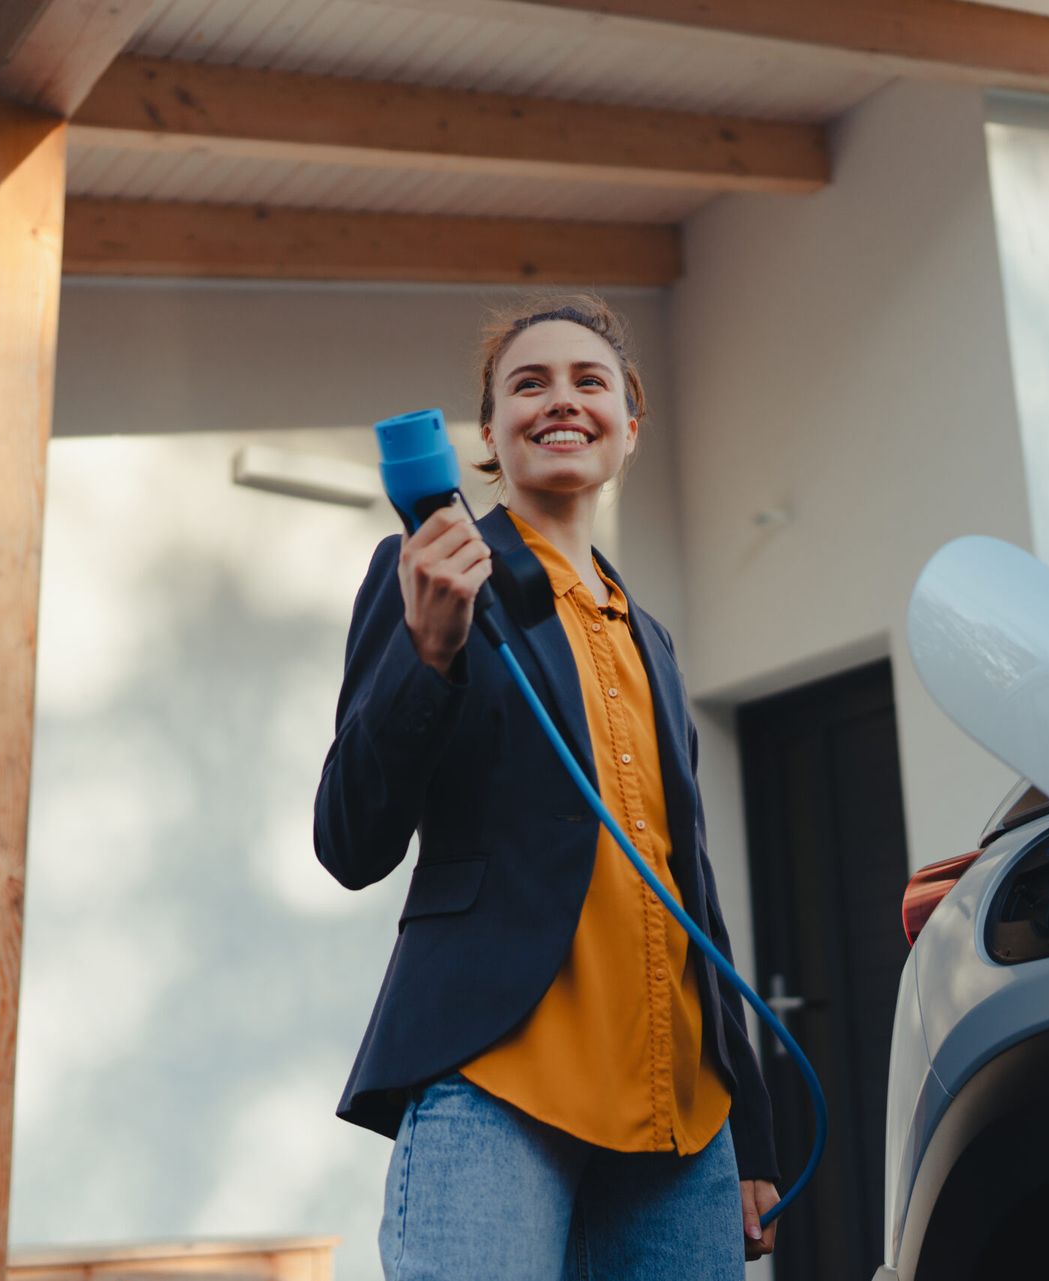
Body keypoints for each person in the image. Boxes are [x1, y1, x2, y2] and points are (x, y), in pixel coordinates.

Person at [314, 295, 780, 1279]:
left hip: (684, 1127)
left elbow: (686, 883)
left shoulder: (646, 635)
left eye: (588, 380)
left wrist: (755, 1136)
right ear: (488, 434)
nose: (559, 399)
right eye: (528, 383)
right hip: (500, 1090)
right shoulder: (423, 576)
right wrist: (429, 656)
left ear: (629, 425)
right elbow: (350, 841)